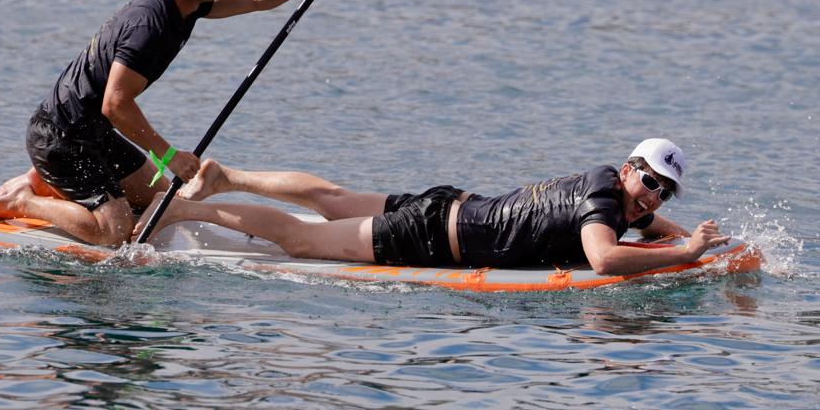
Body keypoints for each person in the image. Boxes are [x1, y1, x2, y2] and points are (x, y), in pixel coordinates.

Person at [0, 0, 347, 245]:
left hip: (94, 132)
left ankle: (46, 182)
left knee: (159, 194)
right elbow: (116, 104)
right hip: (62, 137)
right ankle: (22, 200)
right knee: (114, 232)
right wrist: (170, 156)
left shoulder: (189, 4)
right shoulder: (149, 26)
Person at [140, 138, 732, 275]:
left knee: (334, 199)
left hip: (448, 206)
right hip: (426, 239)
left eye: (664, 190)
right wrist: (685, 254)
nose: (652, 196)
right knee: (300, 238)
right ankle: (186, 212)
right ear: (629, 169)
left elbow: (646, 223)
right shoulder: (606, 203)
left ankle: (225, 176)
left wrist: (708, 244)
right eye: (649, 180)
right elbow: (603, 260)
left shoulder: (609, 187)